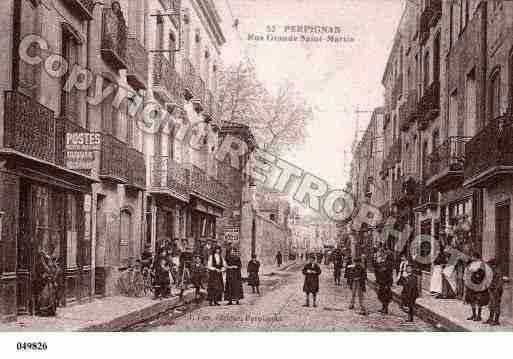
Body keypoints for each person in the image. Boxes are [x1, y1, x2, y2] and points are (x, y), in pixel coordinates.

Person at [35, 249, 60, 316]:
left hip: (50, 284)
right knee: (49, 297)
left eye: (52, 261)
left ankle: (46, 311)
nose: (50, 263)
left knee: (47, 297)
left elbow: (45, 267)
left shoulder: (54, 268)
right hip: (50, 284)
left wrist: (42, 257)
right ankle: (49, 311)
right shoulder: (55, 268)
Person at [465, 253, 489, 321]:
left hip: (478, 284)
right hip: (471, 284)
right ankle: (474, 315)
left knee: (479, 301)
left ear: (477, 258)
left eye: (474, 257)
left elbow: (482, 274)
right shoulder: (472, 264)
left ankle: (478, 316)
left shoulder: (482, 264)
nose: (473, 259)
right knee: (472, 300)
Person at [375, 249, 394, 314]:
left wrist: (387, 284)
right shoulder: (386, 263)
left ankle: (385, 309)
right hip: (382, 282)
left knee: (385, 296)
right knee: (382, 295)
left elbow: (388, 274)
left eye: (386, 255)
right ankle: (383, 308)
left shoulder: (388, 265)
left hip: (385, 282)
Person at [486, 258, 503, 326]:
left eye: (490, 264)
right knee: (491, 305)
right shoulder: (492, 270)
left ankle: (496, 320)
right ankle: (490, 319)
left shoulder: (498, 271)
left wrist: (495, 289)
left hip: (496, 290)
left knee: (496, 305)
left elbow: (499, 282)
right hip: (492, 289)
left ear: (493, 265)